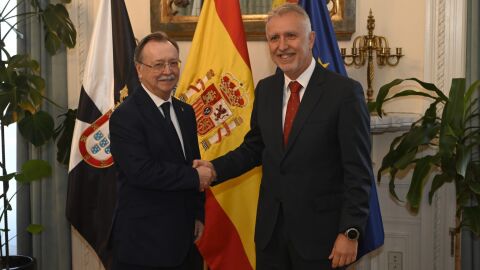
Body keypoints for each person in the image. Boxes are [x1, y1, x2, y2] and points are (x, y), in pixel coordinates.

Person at [194, 4, 373, 269]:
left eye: (291, 36)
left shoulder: (344, 93)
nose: (282, 46)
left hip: (322, 240)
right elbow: (254, 148)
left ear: (311, 39)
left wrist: (350, 231)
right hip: (271, 237)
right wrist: (213, 169)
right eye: (274, 38)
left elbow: (358, 171)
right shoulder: (266, 90)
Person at [109, 32, 215, 270]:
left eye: (173, 63)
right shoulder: (125, 116)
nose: (167, 71)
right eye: (158, 65)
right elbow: (141, 171)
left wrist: (198, 213)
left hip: (185, 239)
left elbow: (193, 162)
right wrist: (194, 176)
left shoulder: (186, 112)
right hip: (144, 245)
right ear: (139, 69)